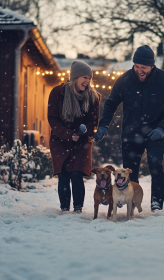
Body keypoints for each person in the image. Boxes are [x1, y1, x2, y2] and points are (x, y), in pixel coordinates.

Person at [93, 45, 164, 211]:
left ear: (152, 66)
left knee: (156, 167)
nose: (140, 70)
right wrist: (104, 124)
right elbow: (111, 103)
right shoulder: (124, 80)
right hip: (131, 134)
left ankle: (156, 204)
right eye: (137, 66)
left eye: (144, 67)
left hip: (155, 132)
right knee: (130, 171)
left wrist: (163, 128)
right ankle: (131, 203)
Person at [48, 60, 100, 213]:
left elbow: (93, 121)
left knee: (77, 174)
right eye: (84, 77)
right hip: (60, 140)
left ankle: (78, 208)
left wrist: (83, 132)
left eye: (89, 78)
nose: (87, 81)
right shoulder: (58, 93)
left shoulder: (93, 97)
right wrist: (68, 134)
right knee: (63, 175)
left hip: (81, 143)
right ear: (75, 77)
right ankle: (64, 208)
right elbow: (53, 119)